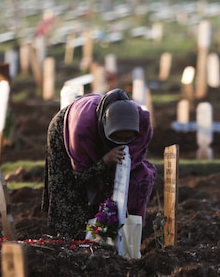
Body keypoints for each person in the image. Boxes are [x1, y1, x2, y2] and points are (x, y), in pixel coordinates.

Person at [42, 89, 156, 241]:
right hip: (65, 131)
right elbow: (80, 177)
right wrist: (104, 162)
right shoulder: (81, 131)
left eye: (126, 139)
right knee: (69, 190)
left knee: (122, 184)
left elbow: (133, 162)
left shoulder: (142, 124)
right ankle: (70, 240)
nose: (122, 143)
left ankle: (105, 234)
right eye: (116, 138)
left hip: (98, 129)